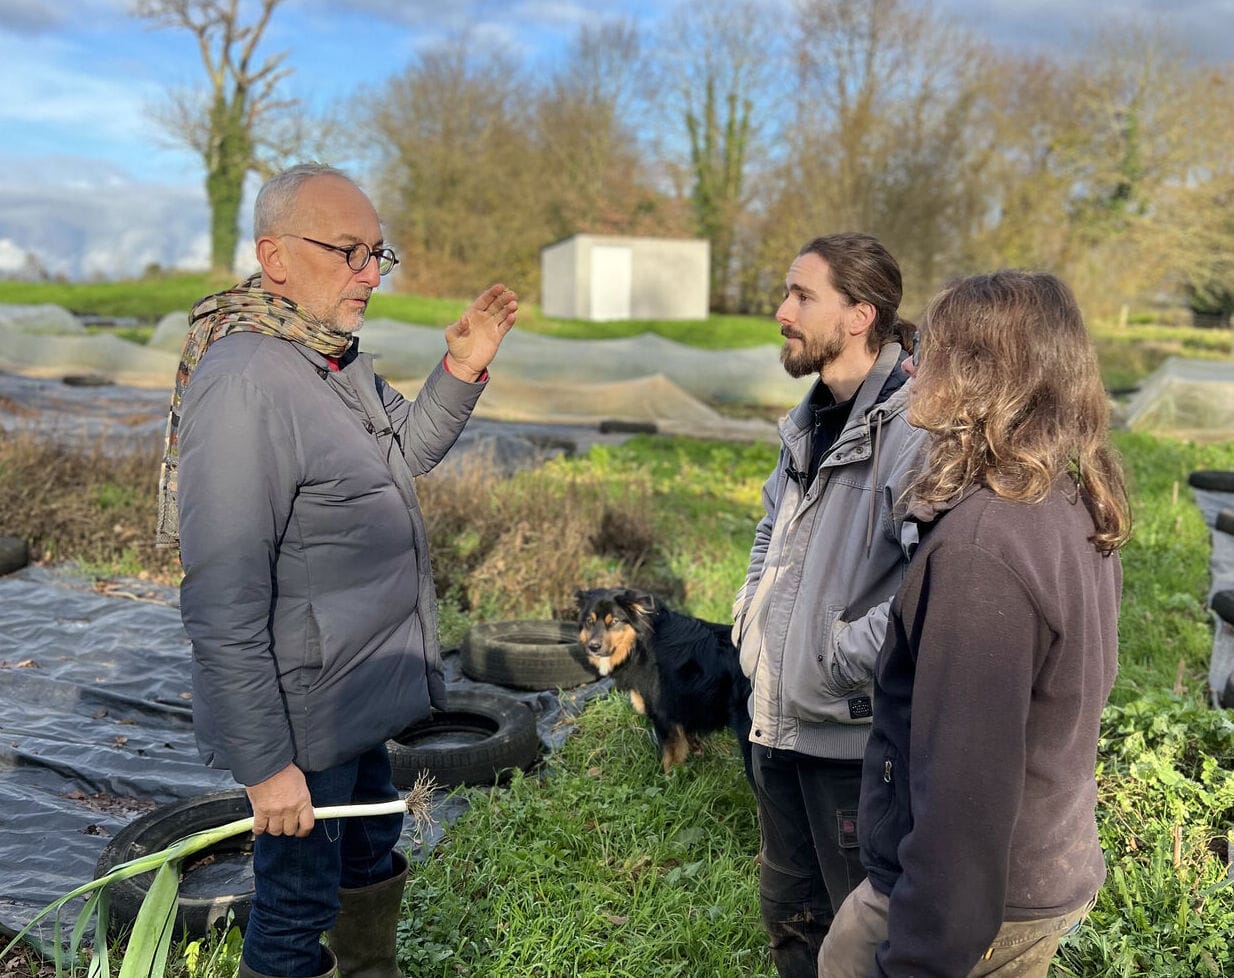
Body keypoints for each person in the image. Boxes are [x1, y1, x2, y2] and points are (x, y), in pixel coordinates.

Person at [159, 162, 517, 978]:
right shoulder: (250, 379)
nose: (369, 275)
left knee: (365, 863)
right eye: (349, 251)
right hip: (300, 720)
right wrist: (266, 767)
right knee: (295, 911)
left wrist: (460, 369)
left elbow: (405, 451)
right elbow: (221, 597)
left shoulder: (330, 359)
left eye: (377, 255)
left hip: (358, 695)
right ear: (275, 256)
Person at [818, 270, 1132, 978]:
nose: (910, 364)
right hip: (1039, 869)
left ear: (981, 374)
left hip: (972, 902)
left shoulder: (983, 553)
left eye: (928, 348)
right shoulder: (1066, 498)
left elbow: (964, 802)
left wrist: (922, 959)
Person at [731, 232, 929, 978]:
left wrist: (836, 662)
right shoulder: (811, 420)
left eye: (801, 296)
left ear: (859, 315)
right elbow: (768, 531)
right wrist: (754, 628)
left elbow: (929, 581)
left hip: (849, 747)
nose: (782, 310)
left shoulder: (913, 430)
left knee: (860, 938)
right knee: (791, 920)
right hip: (776, 726)